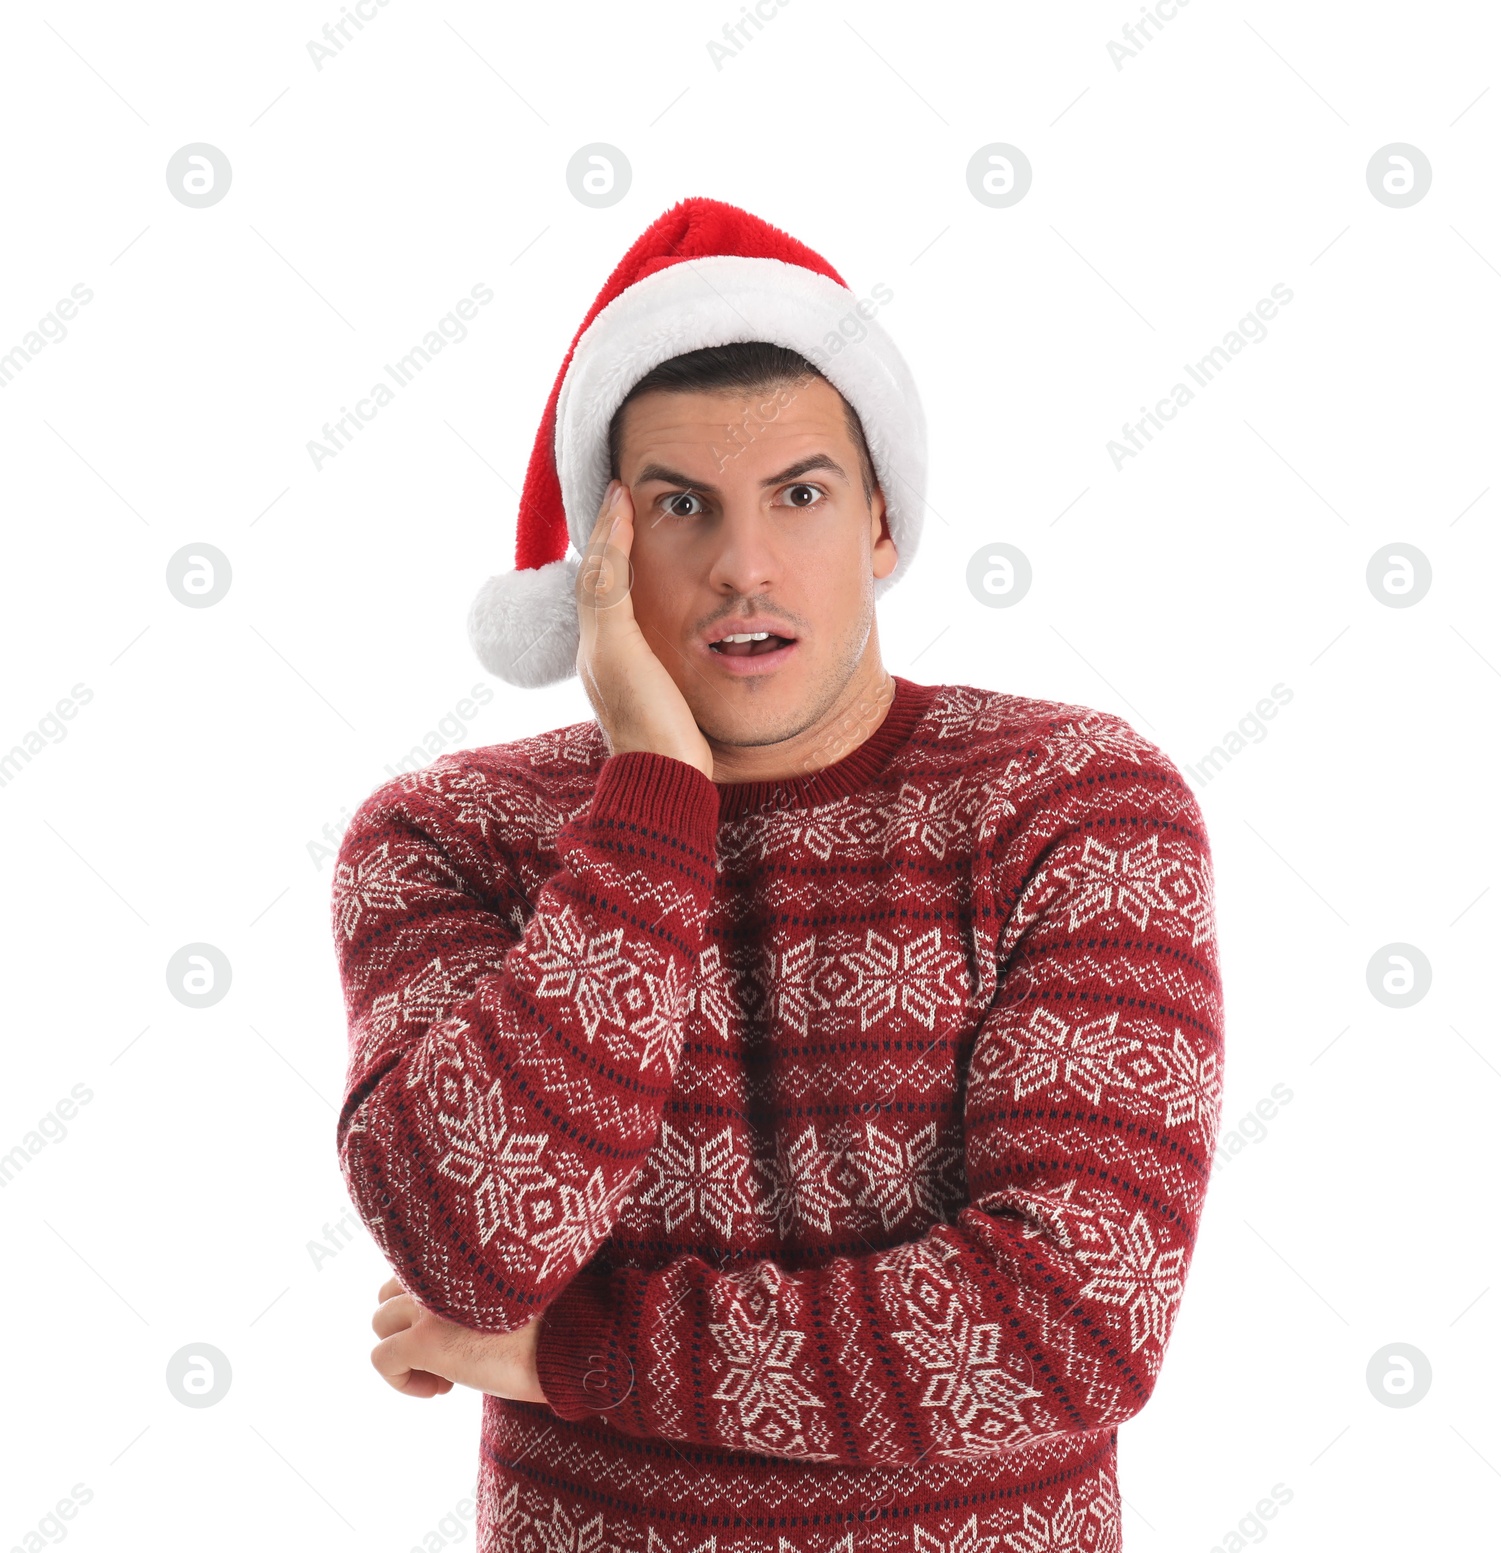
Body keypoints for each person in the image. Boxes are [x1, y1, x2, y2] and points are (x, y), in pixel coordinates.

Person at [331, 197, 1223, 1553]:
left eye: (798, 494)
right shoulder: (453, 836)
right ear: (603, 560)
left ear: (879, 519)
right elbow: (469, 1251)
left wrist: (579, 1349)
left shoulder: (1074, 803)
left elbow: (1064, 1329)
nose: (746, 564)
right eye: (681, 506)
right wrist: (650, 802)